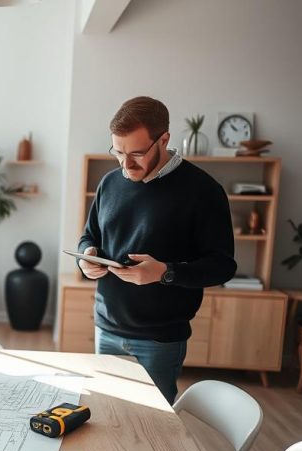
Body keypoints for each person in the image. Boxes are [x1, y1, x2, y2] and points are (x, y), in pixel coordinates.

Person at [78, 96, 237, 403]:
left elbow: (222, 266)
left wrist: (165, 272)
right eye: (118, 152)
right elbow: (89, 236)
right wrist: (88, 258)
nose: (126, 164)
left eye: (136, 153)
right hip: (106, 328)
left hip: (160, 340)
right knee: (104, 414)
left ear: (163, 139)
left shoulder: (203, 191)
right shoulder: (110, 182)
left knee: (152, 430)